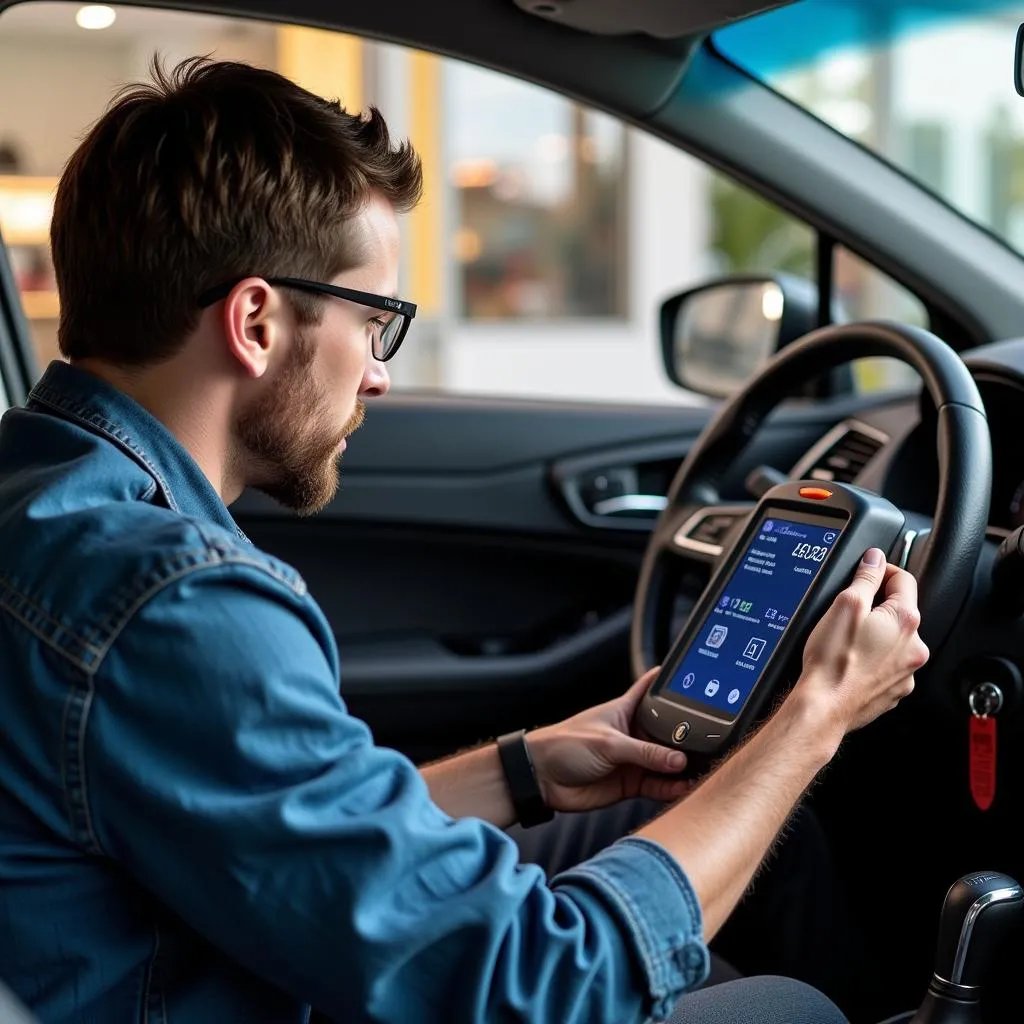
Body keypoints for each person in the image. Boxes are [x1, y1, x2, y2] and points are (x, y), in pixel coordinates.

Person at [0, 57, 928, 1024]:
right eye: (376, 323)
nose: (379, 377)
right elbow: (549, 987)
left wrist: (522, 768)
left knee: (674, 813)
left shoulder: (38, 498)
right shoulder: (175, 601)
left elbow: (271, 827)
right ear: (257, 321)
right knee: (789, 1010)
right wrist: (816, 716)